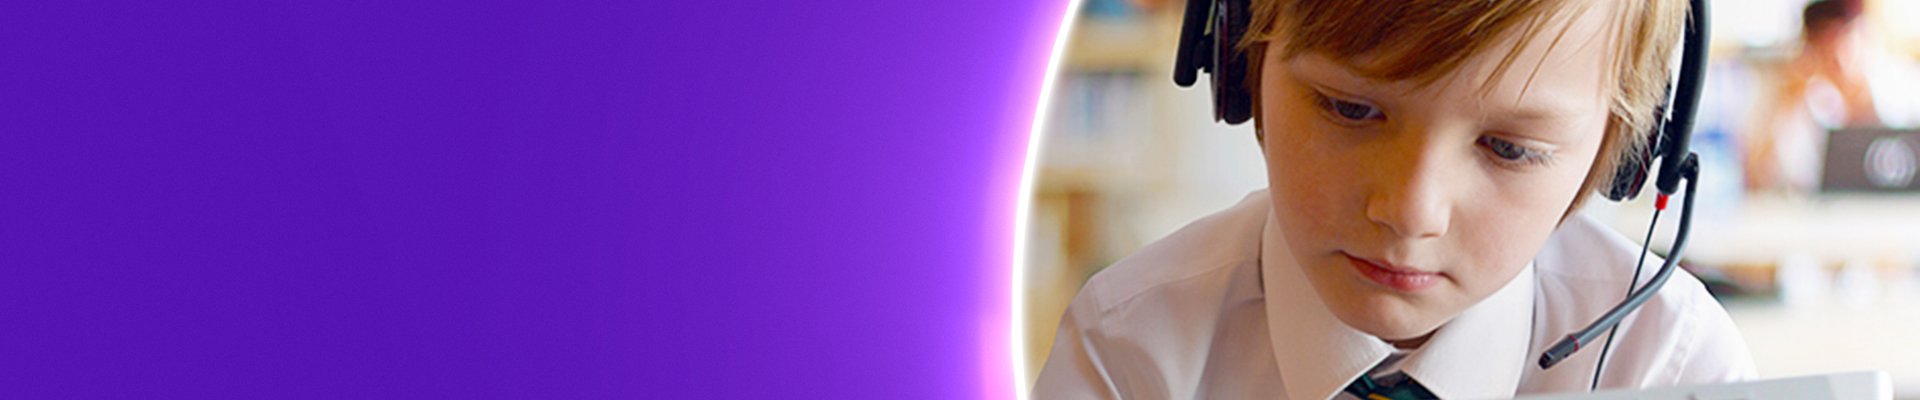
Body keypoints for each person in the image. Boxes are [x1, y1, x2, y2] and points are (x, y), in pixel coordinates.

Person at [1031, 0, 1757, 399]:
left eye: (1510, 148)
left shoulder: (1668, 365)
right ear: (1239, 66)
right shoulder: (1130, 353)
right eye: (1349, 110)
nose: (1410, 212)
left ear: (1629, 155)